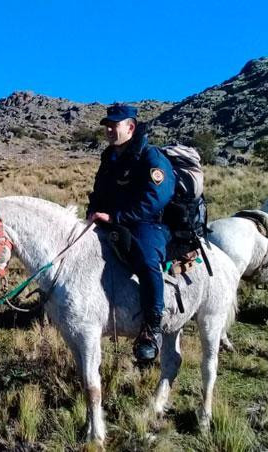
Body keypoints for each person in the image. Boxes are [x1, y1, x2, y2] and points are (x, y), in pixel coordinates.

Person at [86, 104, 175, 363]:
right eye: (107, 125)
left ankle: (151, 328)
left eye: (115, 124)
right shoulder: (109, 157)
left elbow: (156, 199)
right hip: (112, 221)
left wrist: (117, 217)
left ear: (131, 127)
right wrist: (93, 211)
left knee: (147, 261)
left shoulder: (151, 158)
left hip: (147, 224)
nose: (110, 129)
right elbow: (99, 191)